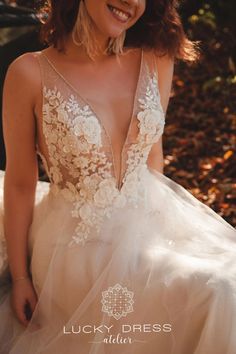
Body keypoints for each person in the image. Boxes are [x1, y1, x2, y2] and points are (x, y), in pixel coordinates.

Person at [0, 0, 236, 353]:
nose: (132, 2)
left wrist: (155, 234)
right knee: (218, 291)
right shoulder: (30, 73)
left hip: (150, 223)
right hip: (74, 246)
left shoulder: (156, 57)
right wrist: (20, 277)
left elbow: (152, 157)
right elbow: (19, 185)